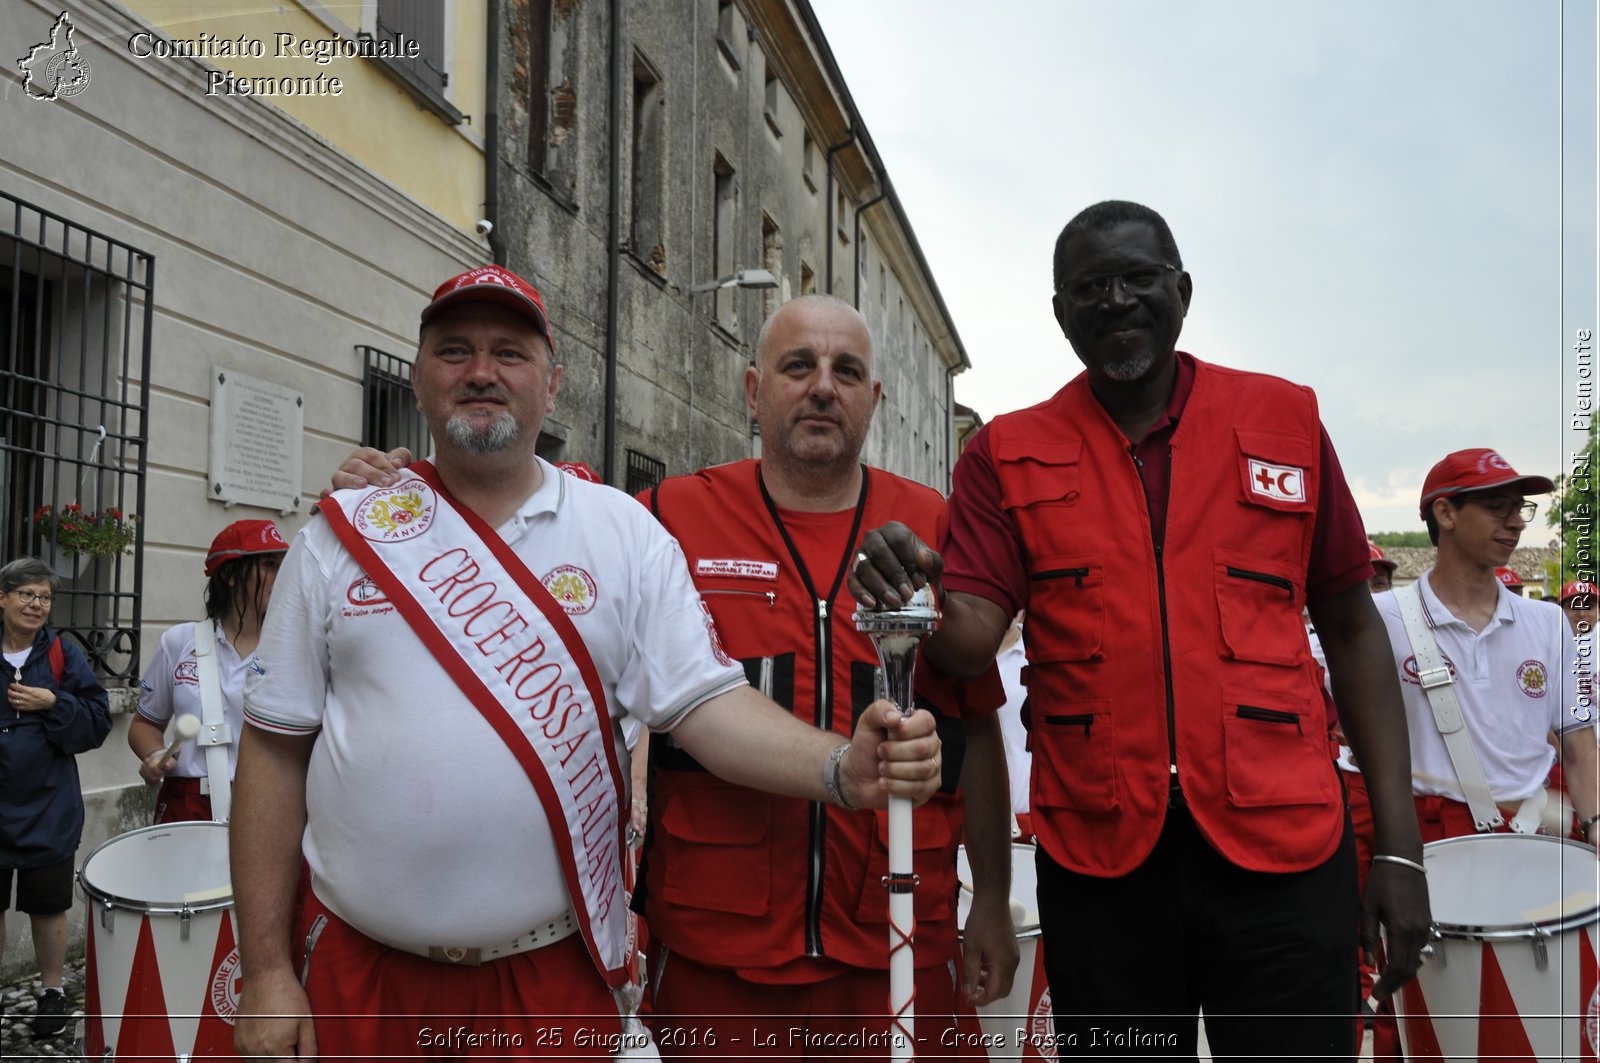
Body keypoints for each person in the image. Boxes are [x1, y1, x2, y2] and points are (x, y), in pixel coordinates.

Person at [232, 266, 943, 1061]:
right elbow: (271, 749)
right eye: (455, 351)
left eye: (510, 352)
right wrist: (264, 969)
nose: (481, 372)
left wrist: (843, 767)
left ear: (553, 382)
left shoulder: (625, 534)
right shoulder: (343, 535)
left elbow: (704, 704)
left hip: (552, 981)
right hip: (362, 979)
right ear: (419, 375)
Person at [850, 200, 1430, 1058]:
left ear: (1183, 290)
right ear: (1060, 313)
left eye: (1139, 278)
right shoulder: (1007, 453)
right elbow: (970, 641)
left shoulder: (1285, 420)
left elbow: (1351, 628)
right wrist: (915, 591)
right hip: (1102, 862)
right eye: (1089, 287)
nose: (1117, 301)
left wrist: (1401, 847)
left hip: (1286, 853)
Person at [0, 558, 112, 1037]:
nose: (36, 604)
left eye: (44, 597)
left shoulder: (65, 653)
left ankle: (52, 993)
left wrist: (53, 702)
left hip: (48, 804)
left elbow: (97, 722)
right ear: (2, 598)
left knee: (47, 905)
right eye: (26, 594)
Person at [130, 520, 288, 822]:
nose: (281, 576)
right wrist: (153, 755)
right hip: (187, 804)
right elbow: (144, 724)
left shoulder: (294, 648)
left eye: (284, 565)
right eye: (269, 564)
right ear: (229, 575)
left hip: (268, 803)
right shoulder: (179, 642)